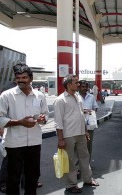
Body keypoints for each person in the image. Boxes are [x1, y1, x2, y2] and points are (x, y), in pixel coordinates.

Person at [0, 63, 48, 195]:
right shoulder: (6, 95)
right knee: (13, 178)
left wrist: (43, 119)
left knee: (32, 177)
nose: (20, 80)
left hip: (34, 142)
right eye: (18, 77)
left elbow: (45, 114)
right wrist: (20, 122)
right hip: (14, 143)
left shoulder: (39, 96)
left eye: (24, 77)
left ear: (31, 78)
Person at [53, 75, 99, 194]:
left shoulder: (77, 97)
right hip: (68, 135)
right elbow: (58, 122)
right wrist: (60, 139)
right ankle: (71, 185)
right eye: (76, 82)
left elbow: (81, 115)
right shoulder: (60, 100)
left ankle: (88, 179)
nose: (78, 84)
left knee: (85, 157)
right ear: (69, 84)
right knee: (70, 160)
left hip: (80, 133)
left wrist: (85, 131)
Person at [78, 80, 99, 162]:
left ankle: (87, 163)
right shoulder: (75, 97)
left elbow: (95, 107)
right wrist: (83, 111)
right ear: (79, 87)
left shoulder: (91, 97)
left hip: (89, 125)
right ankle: (78, 165)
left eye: (86, 87)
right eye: (83, 86)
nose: (85, 88)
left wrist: (92, 111)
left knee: (88, 145)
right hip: (78, 124)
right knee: (79, 145)